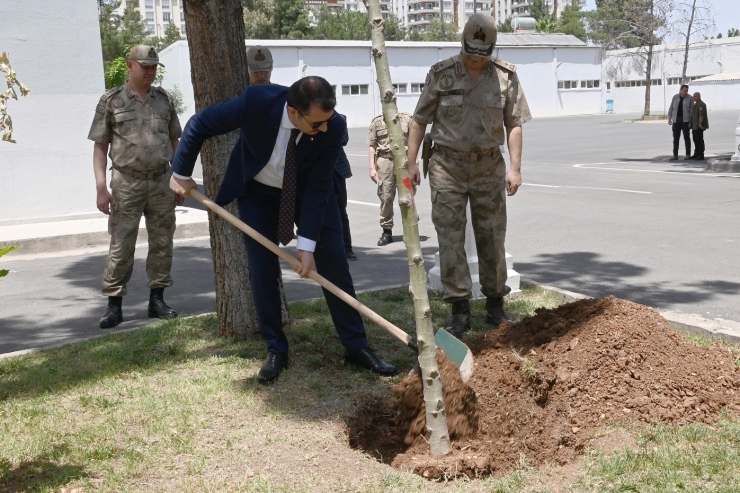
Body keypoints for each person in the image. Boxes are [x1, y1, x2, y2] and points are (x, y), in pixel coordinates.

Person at [169, 76, 398, 384]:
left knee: (333, 262)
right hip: (259, 191)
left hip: (308, 190)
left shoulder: (334, 127)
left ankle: (356, 346)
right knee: (261, 268)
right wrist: (181, 173)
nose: (324, 128)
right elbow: (199, 124)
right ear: (293, 112)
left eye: (328, 121)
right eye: (316, 124)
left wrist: (307, 248)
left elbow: (318, 188)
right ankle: (277, 348)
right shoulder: (257, 102)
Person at [405, 13, 531, 337]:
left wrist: (515, 167)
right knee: (450, 238)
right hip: (447, 166)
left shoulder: (506, 77)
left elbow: (514, 123)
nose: (475, 59)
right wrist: (411, 162)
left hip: (489, 166)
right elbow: (419, 120)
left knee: (492, 236)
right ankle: (460, 310)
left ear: (492, 48)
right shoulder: (442, 74)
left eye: (482, 53)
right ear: (462, 43)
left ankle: (495, 304)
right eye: (470, 51)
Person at [88, 45, 183, 329]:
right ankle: (114, 305)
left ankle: (157, 300)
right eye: (145, 66)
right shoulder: (112, 101)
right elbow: (100, 146)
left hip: (161, 181)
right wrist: (101, 187)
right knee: (121, 245)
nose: (150, 71)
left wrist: (178, 178)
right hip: (126, 182)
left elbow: (176, 140)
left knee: (163, 243)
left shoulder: (164, 99)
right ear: (130, 66)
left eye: (154, 67)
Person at [246, 47, 357, 260]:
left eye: (266, 71)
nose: (262, 75)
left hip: (324, 169)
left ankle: (345, 248)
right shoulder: (251, 101)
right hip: (273, 179)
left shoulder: (287, 96)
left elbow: (335, 126)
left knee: (335, 212)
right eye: (257, 71)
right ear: (247, 70)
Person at [367, 110, 413, 246]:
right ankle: (387, 232)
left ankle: (410, 231)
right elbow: (372, 146)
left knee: (408, 197)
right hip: (385, 161)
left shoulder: (406, 119)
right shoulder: (377, 121)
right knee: (386, 197)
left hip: (404, 161)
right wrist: (372, 168)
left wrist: (413, 163)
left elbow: (413, 142)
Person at [668, 84, 693, 161]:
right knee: (675, 138)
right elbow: (671, 108)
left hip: (685, 121)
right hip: (676, 120)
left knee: (686, 138)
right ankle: (675, 155)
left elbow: (692, 111)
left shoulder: (690, 98)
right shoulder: (675, 97)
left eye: (687, 91)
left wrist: (691, 121)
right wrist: (669, 118)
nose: (685, 92)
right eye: (684, 90)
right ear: (680, 90)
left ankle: (688, 154)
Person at [690, 92, 708, 161]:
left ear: (699, 96)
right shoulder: (695, 105)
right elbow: (693, 115)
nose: (694, 98)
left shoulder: (701, 105)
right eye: (693, 96)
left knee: (699, 140)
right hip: (694, 126)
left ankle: (701, 154)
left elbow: (701, 115)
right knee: (695, 140)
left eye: (695, 96)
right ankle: (696, 154)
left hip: (699, 126)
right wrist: (690, 123)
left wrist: (700, 124)